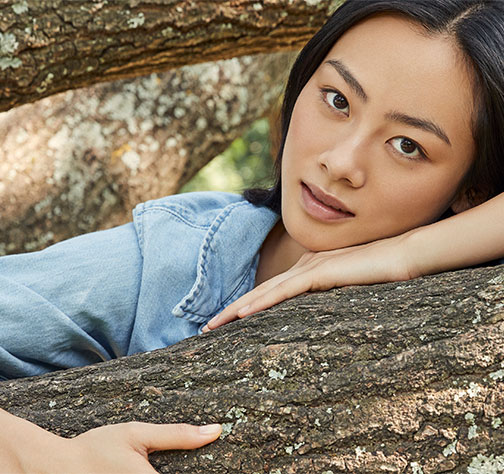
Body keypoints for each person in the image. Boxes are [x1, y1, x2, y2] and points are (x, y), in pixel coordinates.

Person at [2, 0, 504, 471]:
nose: (342, 162)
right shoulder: (179, 255)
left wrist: (408, 255)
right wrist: (38, 456)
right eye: (337, 100)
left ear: (474, 190)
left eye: (407, 145)